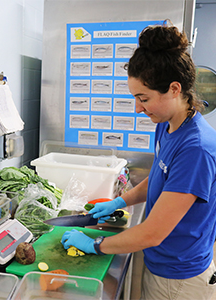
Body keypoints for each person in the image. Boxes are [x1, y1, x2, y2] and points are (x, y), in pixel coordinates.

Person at [61, 21, 216, 300]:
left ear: (174, 89)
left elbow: (152, 234)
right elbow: (160, 175)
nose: (138, 108)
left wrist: (96, 244)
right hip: (163, 264)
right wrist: (122, 201)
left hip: (179, 280)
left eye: (143, 98)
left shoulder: (197, 149)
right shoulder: (167, 125)